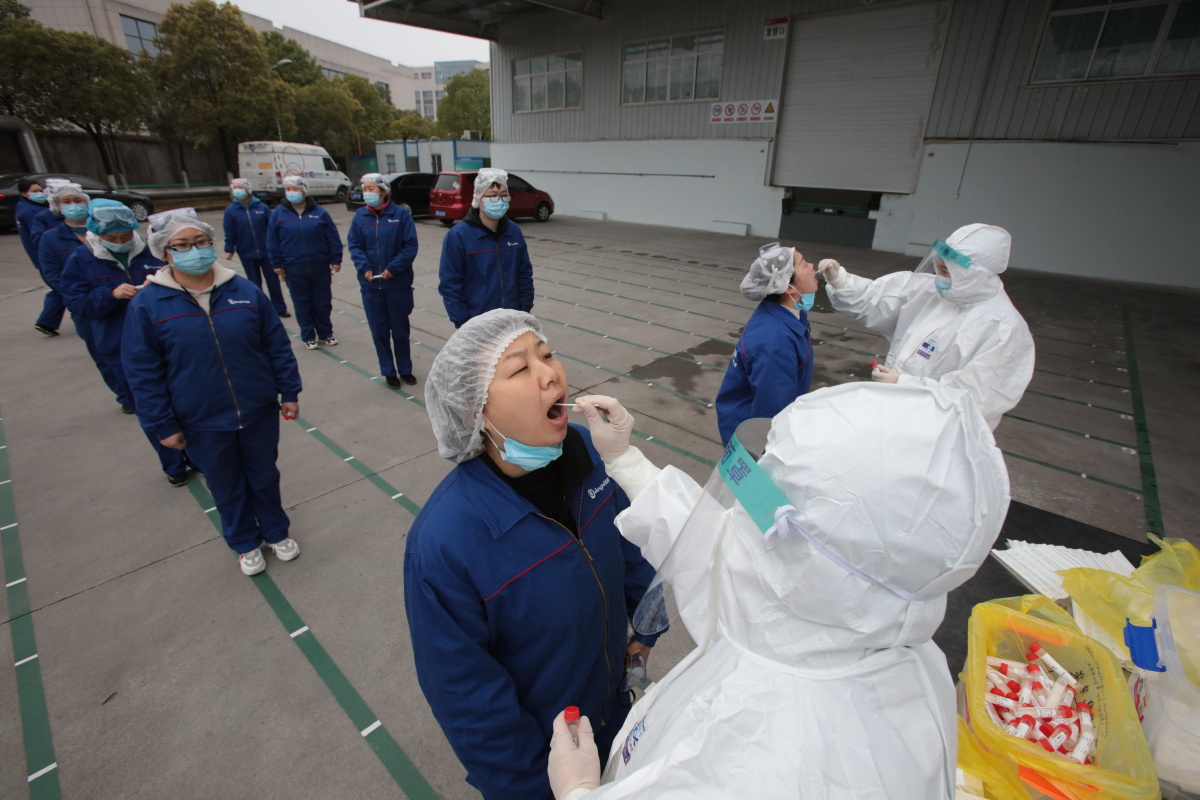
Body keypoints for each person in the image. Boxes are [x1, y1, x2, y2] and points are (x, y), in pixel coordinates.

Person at [545, 382, 1009, 799]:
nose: (752, 506)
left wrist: (578, 792)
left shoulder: (769, 758)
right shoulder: (848, 615)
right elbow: (719, 551)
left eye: (773, 490)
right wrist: (625, 459)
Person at [405, 309, 662, 800]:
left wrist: (645, 629)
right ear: (473, 412)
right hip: (546, 762)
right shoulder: (445, 543)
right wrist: (537, 787)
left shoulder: (589, 452)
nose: (550, 373)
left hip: (618, 717)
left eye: (547, 355)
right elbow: (468, 698)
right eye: (521, 369)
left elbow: (633, 546)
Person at [123, 210, 304, 576]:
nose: (196, 251)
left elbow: (276, 345)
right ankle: (244, 542)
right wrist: (162, 423)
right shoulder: (149, 304)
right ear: (165, 252)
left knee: (264, 475)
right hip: (200, 419)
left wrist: (289, 391)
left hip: (256, 409)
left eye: (202, 242)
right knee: (225, 483)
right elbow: (143, 371)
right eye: (183, 245)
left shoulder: (243, 290)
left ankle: (275, 531)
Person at [818, 223, 1035, 430]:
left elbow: (976, 396)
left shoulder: (1003, 328)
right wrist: (841, 281)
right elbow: (874, 299)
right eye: (939, 267)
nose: (939, 276)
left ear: (977, 274)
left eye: (948, 271)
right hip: (894, 409)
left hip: (943, 431)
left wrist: (906, 384)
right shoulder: (930, 290)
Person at [59, 200, 188, 485]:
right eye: (111, 239)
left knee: (185, 400)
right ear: (96, 232)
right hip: (120, 346)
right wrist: (110, 295)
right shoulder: (81, 260)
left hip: (169, 340)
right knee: (150, 408)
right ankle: (173, 463)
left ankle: (197, 454)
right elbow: (78, 304)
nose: (120, 242)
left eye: (125, 236)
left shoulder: (152, 253)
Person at [714, 243, 817, 446]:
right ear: (788, 286)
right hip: (754, 440)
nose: (813, 266)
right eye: (804, 264)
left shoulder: (789, 313)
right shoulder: (774, 344)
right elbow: (771, 415)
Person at [346, 172, 418, 387]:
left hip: (397, 284)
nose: (367, 193)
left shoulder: (401, 215)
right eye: (364, 189)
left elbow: (410, 246)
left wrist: (393, 269)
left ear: (384, 191)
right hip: (371, 286)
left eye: (371, 189)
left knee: (400, 330)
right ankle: (388, 370)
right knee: (379, 331)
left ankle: (405, 369)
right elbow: (355, 245)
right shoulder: (360, 217)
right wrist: (364, 267)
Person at [438, 168, 534, 328]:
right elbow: (450, 284)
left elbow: (524, 274)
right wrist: (463, 322)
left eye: (504, 195)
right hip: (476, 324)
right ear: (479, 198)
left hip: (513, 320)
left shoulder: (514, 232)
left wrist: (524, 309)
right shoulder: (459, 236)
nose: (500, 200)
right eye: (493, 196)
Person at [266, 176, 341, 350]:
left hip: (319, 265)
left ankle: (325, 334)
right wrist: (276, 262)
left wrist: (335, 259)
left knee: (322, 302)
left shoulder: (320, 213)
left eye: (296, 189)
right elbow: (272, 240)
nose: (292, 192)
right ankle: (308, 335)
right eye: (288, 189)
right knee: (302, 302)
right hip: (293, 266)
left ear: (305, 191)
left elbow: (333, 237)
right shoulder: (278, 213)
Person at [223, 177, 289, 318]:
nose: (237, 190)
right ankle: (260, 309)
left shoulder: (262, 207)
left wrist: (277, 248)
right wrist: (229, 249)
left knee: (273, 282)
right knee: (254, 283)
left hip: (267, 252)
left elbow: (273, 229)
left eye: (240, 187)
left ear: (247, 189)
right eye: (235, 188)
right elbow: (229, 231)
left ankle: (279, 308)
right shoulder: (231, 210)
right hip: (246, 252)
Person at [14, 177, 63, 336]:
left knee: (60, 288)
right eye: (34, 191)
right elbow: (40, 238)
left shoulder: (25, 207)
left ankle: (47, 322)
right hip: (46, 258)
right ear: (24, 193)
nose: (39, 194)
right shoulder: (33, 212)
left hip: (42, 258)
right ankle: (47, 321)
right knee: (62, 288)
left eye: (40, 190)